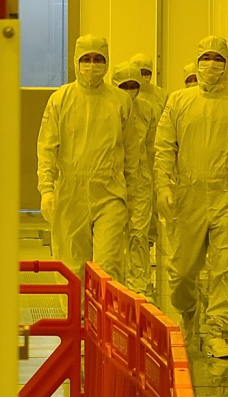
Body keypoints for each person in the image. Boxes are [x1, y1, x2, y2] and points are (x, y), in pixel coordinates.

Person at [154, 36, 228, 359]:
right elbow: (164, 148)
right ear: (197, 61)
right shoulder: (178, 101)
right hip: (188, 195)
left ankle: (218, 330)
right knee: (181, 271)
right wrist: (163, 186)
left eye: (218, 58)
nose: (212, 64)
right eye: (206, 57)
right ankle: (189, 312)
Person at [37, 34, 139, 284]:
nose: (92, 65)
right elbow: (47, 148)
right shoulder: (61, 99)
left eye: (98, 59)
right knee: (72, 267)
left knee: (109, 266)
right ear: (75, 61)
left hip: (110, 194)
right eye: (86, 59)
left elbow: (133, 154)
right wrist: (47, 190)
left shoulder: (120, 100)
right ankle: (79, 320)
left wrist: (135, 196)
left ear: (106, 62)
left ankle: (105, 322)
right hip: (71, 195)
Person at [112, 62, 158, 299]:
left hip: (141, 180)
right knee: (114, 236)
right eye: (124, 86)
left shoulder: (148, 110)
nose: (130, 90)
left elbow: (153, 147)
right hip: (113, 180)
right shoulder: (108, 107)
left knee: (139, 233)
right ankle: (116, 284)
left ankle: (139, 282)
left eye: (133, 86)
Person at [130, 53, 166, 253]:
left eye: (147, 73)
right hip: (126, 169)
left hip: (149, 163)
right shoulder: (118, 100)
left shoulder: (160, 95)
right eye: (140, 73)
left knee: (144, 220)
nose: (144, 77)